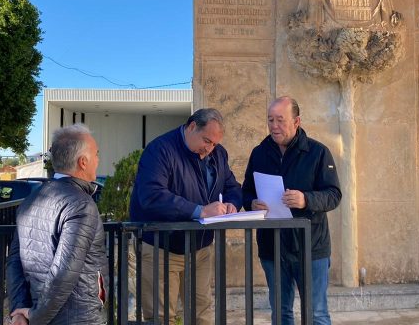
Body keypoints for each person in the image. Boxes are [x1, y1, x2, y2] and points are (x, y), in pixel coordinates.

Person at [129, 108, 243, 325]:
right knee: (160, 318)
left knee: (201, 316)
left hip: (200, 249)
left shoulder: (219, 154)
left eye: (215, 144)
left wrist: (232, 204)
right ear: (192, 126)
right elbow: (151, 196)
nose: (209, 149)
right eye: (207, 141)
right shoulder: (160, 150)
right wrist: (200, 210)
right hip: (161, 248)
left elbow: (232, 187)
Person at [242, 96, 341, 325]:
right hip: (272, 247)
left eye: (280, 120)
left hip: (311, 247)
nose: (274, 126)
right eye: (270, 120)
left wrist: (306, 199)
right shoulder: (259, 153)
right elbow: (246, 191)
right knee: (280, 313)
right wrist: (252, 203)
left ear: (296, 122)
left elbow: (334, 195)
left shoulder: (318, 152)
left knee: (317, 314)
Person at [6, 124, 107, 325]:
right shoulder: (81, 204)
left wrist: (19, 310)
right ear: (83, 162)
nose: (98, 160)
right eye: (96, 154)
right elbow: (63, 273)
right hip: (79, 317)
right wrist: (35, 317)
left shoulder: (32, 198)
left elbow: (15, 261)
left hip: (41, 312)